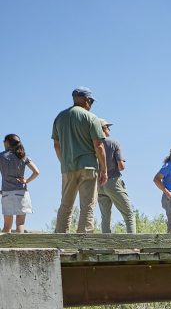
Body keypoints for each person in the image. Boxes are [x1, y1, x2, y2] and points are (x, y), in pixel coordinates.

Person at [52, 86, 107, 233]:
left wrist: (64, 161)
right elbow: (99, 145)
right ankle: (83, 243)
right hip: (88, 167)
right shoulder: (91, 118)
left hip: (68, 167)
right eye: (91, 101)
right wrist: (104, 169)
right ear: (86, 100)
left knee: (66, 205)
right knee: (87, 206)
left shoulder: (60, 117)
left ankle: (60, 241)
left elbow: (56, 145)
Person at [97, 120, 136, 234]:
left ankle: (106, 247)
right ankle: (133, 245)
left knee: (105, 217)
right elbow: (121, 166)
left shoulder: (92, 145)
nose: (109, 129)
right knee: (128, 213)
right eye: (108, 127)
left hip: (99, 184)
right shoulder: (114, 143)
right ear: (103, 128)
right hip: (113, 181)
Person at [1, 134, 39, 234]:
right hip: (21, 193)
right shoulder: (23, 156)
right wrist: (26, 180)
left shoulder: (1, 156)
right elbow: (36, 172)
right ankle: (19, 248)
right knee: (20, 224)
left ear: (7, 143)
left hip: (6, 193)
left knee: (6, 226)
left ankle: (3, 248)